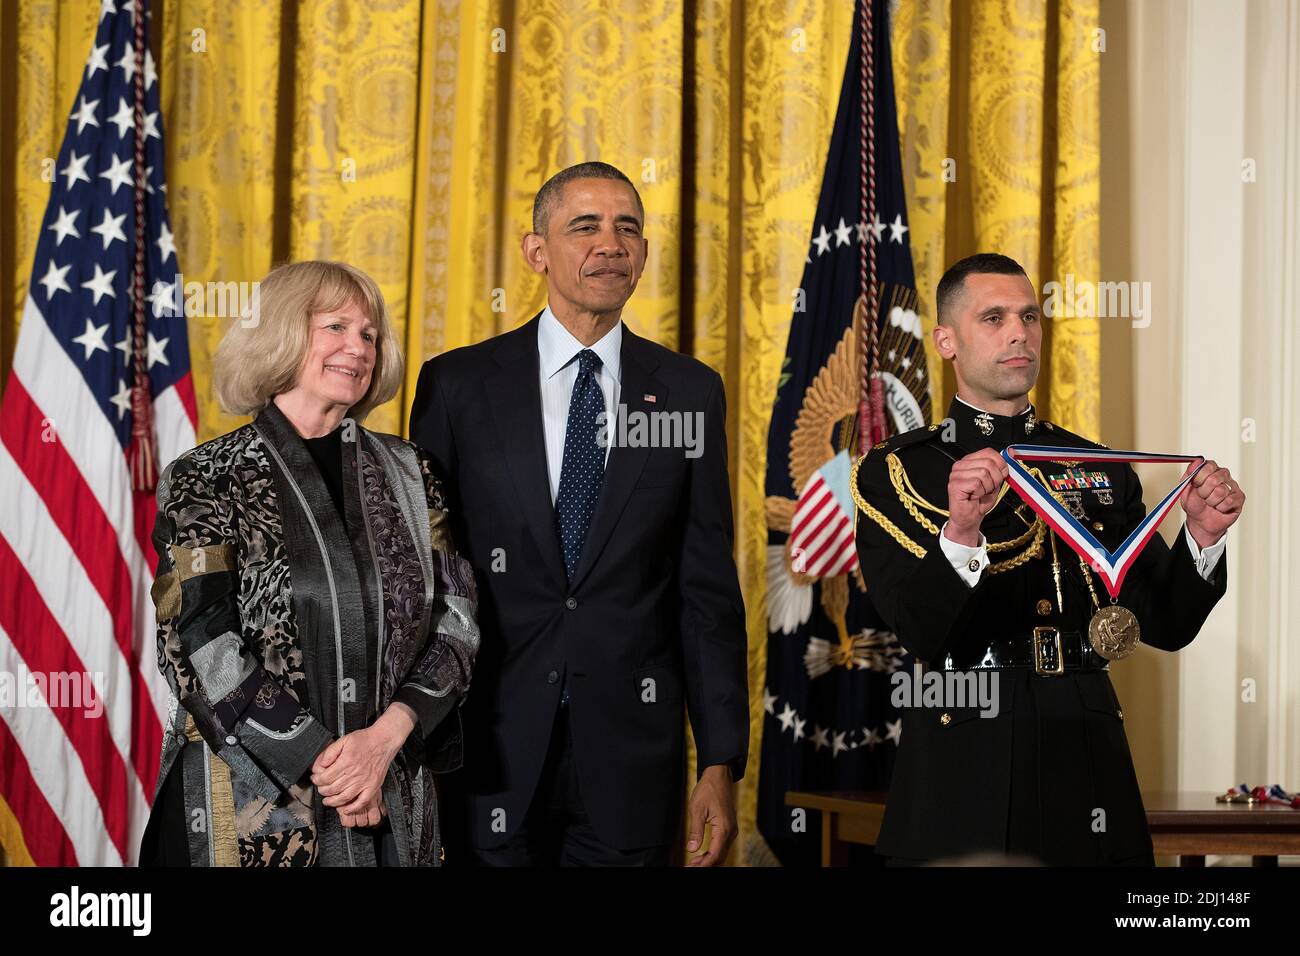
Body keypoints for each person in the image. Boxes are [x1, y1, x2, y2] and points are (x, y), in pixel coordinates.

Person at [853, 253, 1244, 865]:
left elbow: (1163, 624)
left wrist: (1202, 537)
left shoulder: (1093, 465)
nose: (1019, 332)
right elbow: (922, 630)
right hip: (966, 746)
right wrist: (960, 529)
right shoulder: (901, 470)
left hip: (1083, 742)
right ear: (946, 341)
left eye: (1029, 316)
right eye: (994, 317)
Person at [410, 161, 748, 866]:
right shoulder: (457, 384)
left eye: (628, 228)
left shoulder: (689, 392)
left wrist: (721, 763)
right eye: (585, 226)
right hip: (486, 756)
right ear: (538, 252)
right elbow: (422, 580)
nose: (611, 244)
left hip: (632, 765)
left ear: (645, 254)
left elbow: (706, 589)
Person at [141, 261, 479, 867]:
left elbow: (458, 621)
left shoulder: (414, 474)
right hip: (252, 803)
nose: (359, 347)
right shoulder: (205, 477)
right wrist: (331, 766)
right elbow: (196, 643)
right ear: (282, 335)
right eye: (336, 327)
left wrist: (384, 741)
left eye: (370, 334)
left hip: (393, 792)